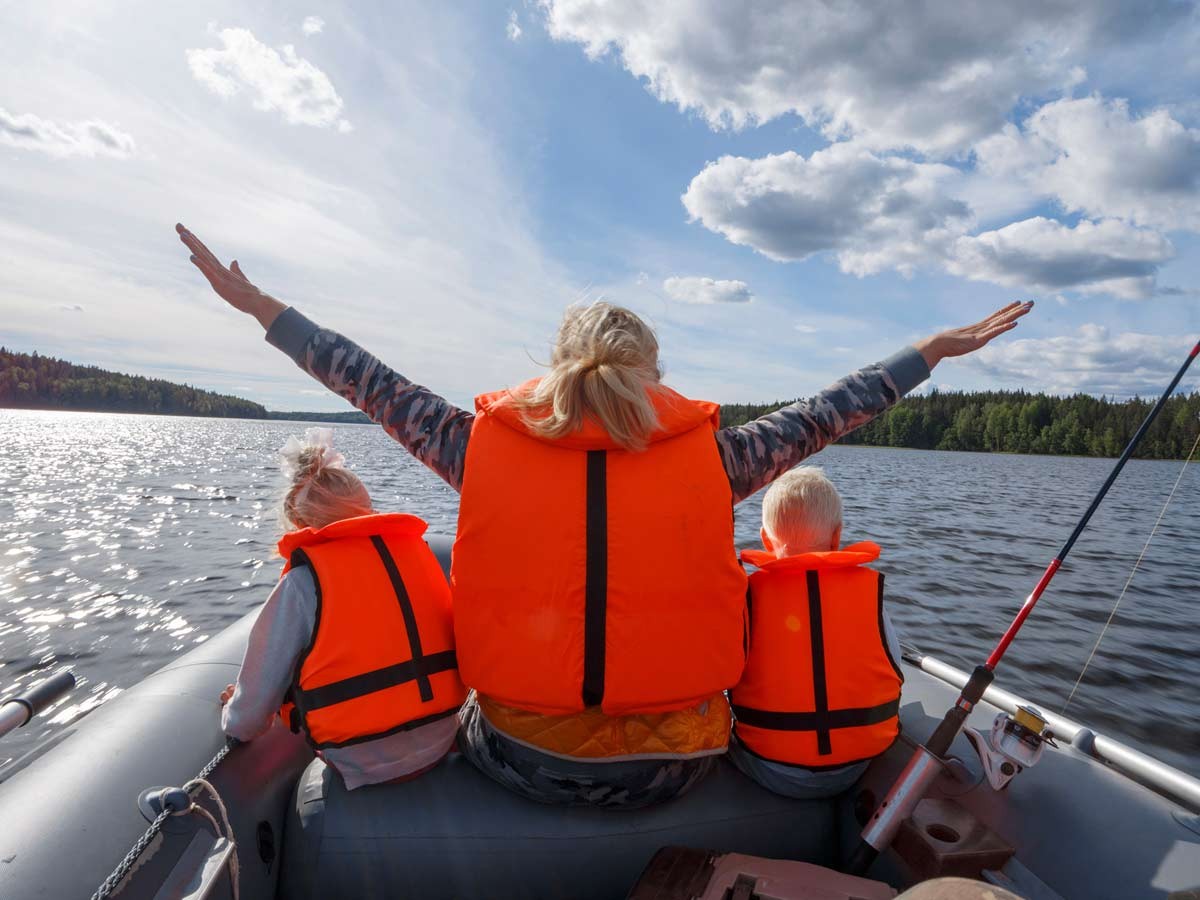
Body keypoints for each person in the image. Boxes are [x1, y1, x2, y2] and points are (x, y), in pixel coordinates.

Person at [178, 222, 1032, 807]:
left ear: (556, 367)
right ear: (653, 374)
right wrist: (929, 351)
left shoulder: (476, 448)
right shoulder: (720, 458)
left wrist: (262, 309)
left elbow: (362, 378)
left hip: (526, 763)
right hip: (682, 768)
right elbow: (833, 408)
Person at [220, 428, 465, 790]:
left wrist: (232, 713)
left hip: (360, 760)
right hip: (442, 738)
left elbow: (247, 722)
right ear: (367, 511)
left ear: (299, 521)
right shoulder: (417, 556)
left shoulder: (302, 585)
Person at [729, 467, 902, 798]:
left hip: (767, 764)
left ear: (765, 540)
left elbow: (725, 675)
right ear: (837, 536)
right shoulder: (871, 599)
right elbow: (893, 668)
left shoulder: (746, 600)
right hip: (856, 765)